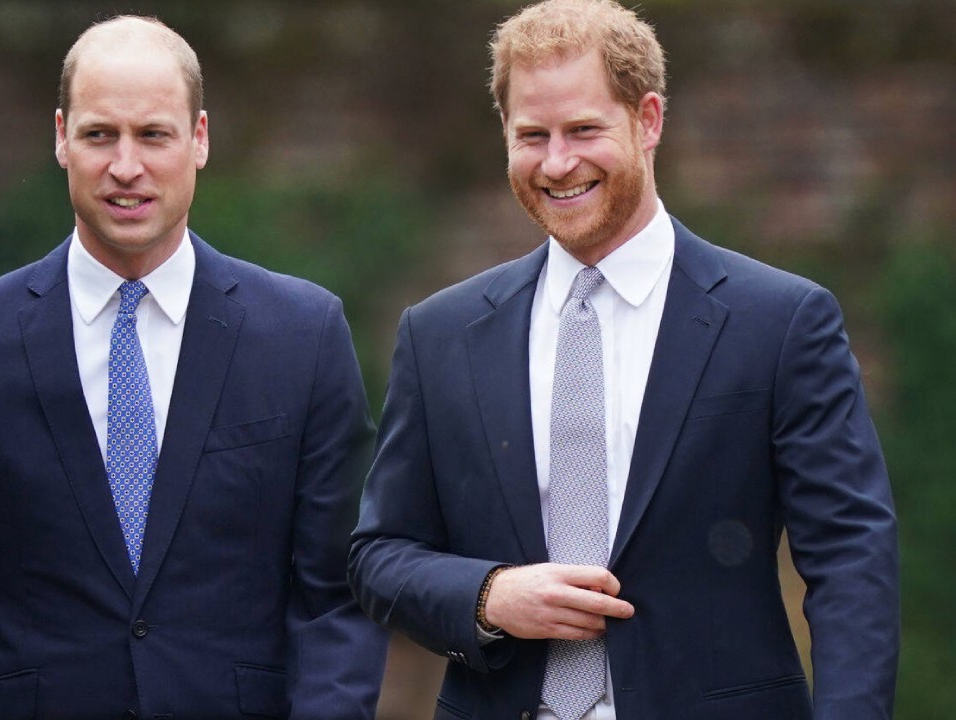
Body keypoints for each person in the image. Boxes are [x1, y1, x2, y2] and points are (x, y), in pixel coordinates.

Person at [348, 0, 899, 718]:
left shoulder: (781, 322)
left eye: (583, 130)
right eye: (532, 135)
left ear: (648, 121)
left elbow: (851, 556)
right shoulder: (440, 332)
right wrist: (487, 596)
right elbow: (379, 556)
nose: (557, 162)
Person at [0, 15, 387, 719]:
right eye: (98, 134)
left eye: (153, 134)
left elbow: (336, 601)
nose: (126, 166)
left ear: (199, 139)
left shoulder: (303, 336)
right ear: (60, 137)